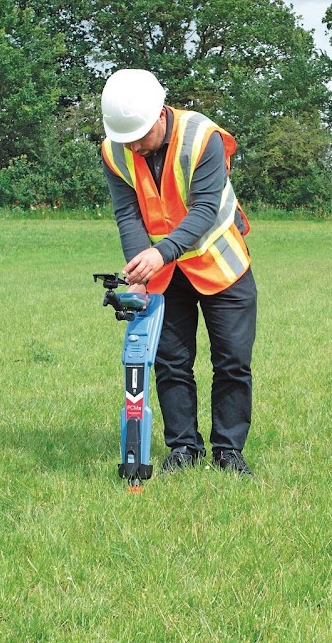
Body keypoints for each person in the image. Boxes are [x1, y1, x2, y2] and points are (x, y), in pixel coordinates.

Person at [101, 68, 257, 476]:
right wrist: (141, 271)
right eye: (126, 139)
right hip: (165, 273)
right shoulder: (115, 149)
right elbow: (128, 214)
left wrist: (161, 253)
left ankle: (228, 451)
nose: (133, 146)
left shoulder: (202, 137)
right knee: (171, 362)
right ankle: (184, 448)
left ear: (160, 113)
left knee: (232, 361)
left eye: (140, 136)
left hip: (220, 264)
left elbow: (205, 208)